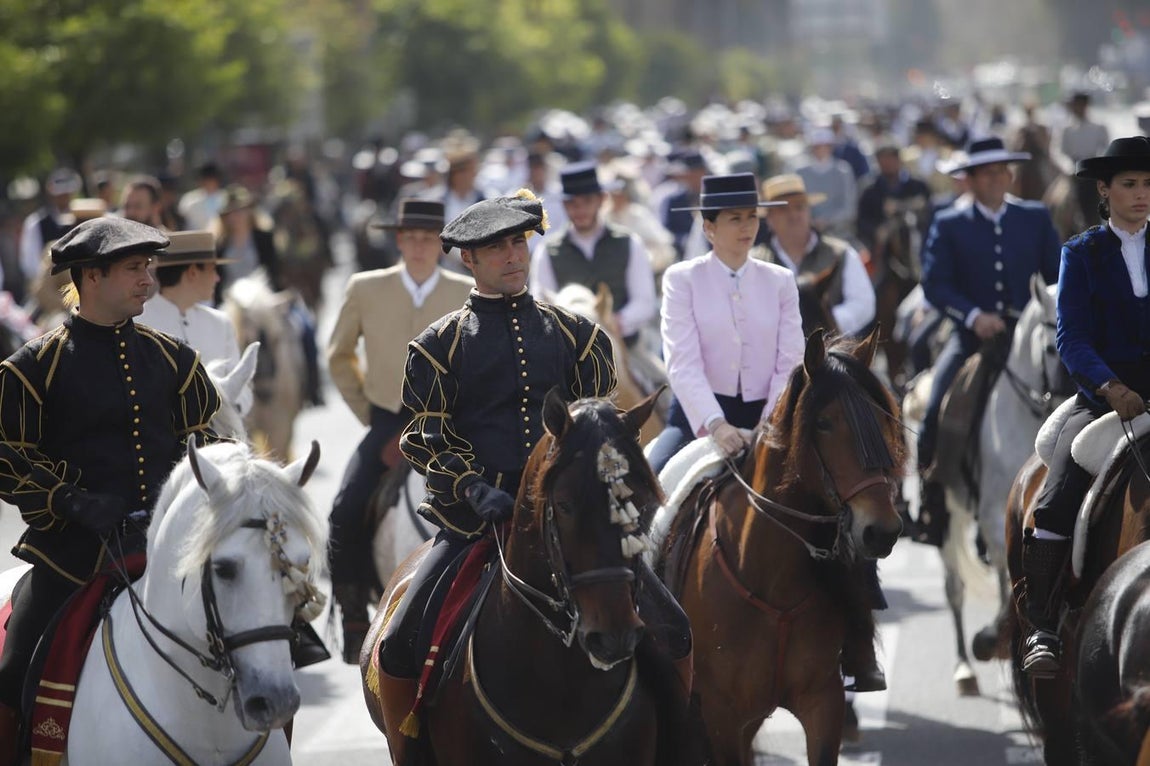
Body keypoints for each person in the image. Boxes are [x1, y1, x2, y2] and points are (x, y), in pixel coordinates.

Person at [0, 218, 224, 758]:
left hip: (170, 544)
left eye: (148, 266)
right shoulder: (32, 368)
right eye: (133, 268)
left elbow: (205, 442)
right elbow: (7, 457)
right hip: (71, 555)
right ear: (91, 276)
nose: (148, 279)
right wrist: (70, 502)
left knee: (262, 633)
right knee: (11, 674)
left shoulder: (175, 359)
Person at [1020, 136, 1150, 678]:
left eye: (1147, 184)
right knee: (1056, 497)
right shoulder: (1081, 253)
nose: (1142, 194)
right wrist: (1112, 386)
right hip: (1104, 401)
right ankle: (1043, 625)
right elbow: (1071, 337)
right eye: (1129, 184)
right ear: (1105, 190)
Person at [326, 199, 472, 662]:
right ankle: (352, 616)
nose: (419, 247)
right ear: (398, 241)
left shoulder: (466, 289)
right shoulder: (366, 287)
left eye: (428, 239)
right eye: (410, 238)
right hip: (387, 418)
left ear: (442, 244)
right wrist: (368, 414)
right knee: (345, 509)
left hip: (453, 422)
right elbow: (338, 355)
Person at [915, 137, 1062, 546]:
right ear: (970, 180)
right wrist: (974, 316)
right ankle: (933, 503)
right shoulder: (949, 222)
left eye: (1001, 171)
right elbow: (935, 284)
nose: (996, 179)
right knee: (933, 408)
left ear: (1010, 174)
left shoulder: (1034, 217)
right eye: (986, 173)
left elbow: (1055, 275)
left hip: (1032, 336)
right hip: (972, 339)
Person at [646, 173, 804, 474]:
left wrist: (768, 422)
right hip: (699, 416)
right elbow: (682, 362)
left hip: (770, 414)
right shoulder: (681, 280)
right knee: (653, 481)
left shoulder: (780, 280)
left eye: (752, 217)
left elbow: (791, 361)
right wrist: (716, 424)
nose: (747, 227)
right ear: (709, 227)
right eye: (735, 219)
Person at [530, 162, 658, 346]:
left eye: (587, 201)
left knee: (658, 376)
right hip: (571, 349)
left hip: (624, 345)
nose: (580, 210)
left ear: (601, 199)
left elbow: (644, 302)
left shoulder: (629, 242)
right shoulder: (547, 251)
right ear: (564, 205)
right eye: (572, 203)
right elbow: (541, 305)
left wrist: (617, 322)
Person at [136, 230, 251, 414]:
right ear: (192, 272)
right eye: (213, 269)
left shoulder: (220, 324)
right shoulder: (138, 324)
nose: (217, 278)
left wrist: (227, 410)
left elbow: (242, 388)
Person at [757, 173, 876, 337]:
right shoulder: (754, 261)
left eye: (799, 207)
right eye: (783, 209)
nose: (793, 215)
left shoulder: (841, 253)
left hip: (831, 352)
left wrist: (822, 323)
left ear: (809, 212)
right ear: (769, 218)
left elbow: (863, 304)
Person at [855, 143, 933, 256]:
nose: (888, 164)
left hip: (914, 240)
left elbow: (926, 208)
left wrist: (901, 206)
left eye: (891, 159)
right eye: (883, 160)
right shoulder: (869, 189)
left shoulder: (917, 185)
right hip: (881, 245)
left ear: (899, 160)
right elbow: (862, 220)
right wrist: (876, 231)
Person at [19, 168, 81, 290]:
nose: (64, 197)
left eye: (66, 193)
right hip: (49, 287)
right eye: (60, 194)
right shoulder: (35, 222)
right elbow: (30, 264)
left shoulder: (82, 219)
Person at [1055, 91, 1110, 228]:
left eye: (1080, 105)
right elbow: (1059, 152)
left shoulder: (1099, 127)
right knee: (1058, 202)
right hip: (1074, 172)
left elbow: (1106, 148)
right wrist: (1068, 167)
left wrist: (1099, 165)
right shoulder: (1066, 129)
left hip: (1094, 171)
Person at [795, 128, 858, 238]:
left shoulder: (843, 170)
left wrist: (827, 221)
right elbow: (798, 203)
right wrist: (811, 221)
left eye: (825, 146)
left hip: (839, 232)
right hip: (807, 231)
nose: (821, 150)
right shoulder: (801, 172)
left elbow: (849, 207)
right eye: (817, 146)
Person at [178, 160, 226, 231]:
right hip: (194, 238)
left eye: (212, 178)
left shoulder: (225, 197)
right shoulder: (189, 199)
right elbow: (182, 219)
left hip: (221, 240)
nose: (209, 182)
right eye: (206, 178)